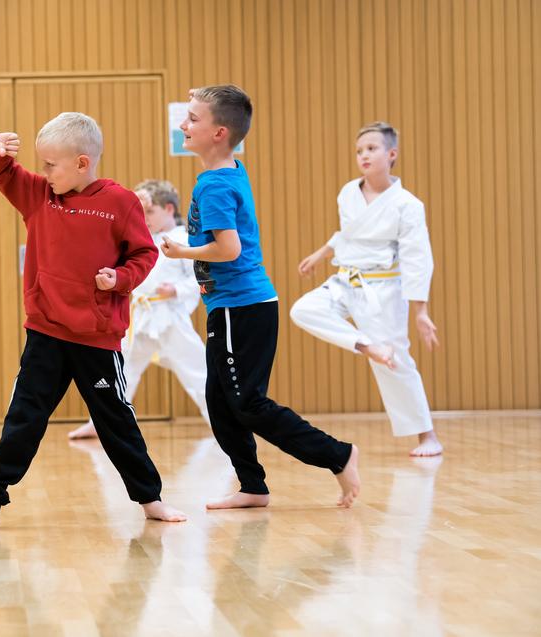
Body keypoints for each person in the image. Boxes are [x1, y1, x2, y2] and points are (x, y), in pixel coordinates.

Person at [0, 112, 188, 533]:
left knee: (116, 421)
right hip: (45, 333)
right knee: (24, 418)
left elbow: (144, 255)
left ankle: (151, 498)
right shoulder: (38, 195)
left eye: (51, 165)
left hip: (97, 339)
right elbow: (1, 170)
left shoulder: (120, 203)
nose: (42, 173)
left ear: (82, 163)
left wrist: (119, 278)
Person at [161, 85, 361, 510]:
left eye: (193, 118)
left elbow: (228, 249)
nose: (184, 124)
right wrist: (215, 96)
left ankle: (338, 455)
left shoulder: (215, 185)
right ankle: (253, 486)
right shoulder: (228, 170)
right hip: (233, 308)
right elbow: (230, 113)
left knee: (247, 403)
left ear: (219, 133)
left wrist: (182, 252)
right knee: (221, 402)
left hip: (241, 308)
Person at [290, 121, 443, 457]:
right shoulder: (348, 192)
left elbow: (418, 257)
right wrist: (321, 253)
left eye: (372, 149)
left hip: (383, 289)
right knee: (302, 309)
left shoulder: (408, 205)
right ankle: (366, 345)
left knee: (396, 360)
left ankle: (427, 436)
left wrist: (421, 311)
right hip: (345, 279)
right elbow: (348, 233)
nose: (364, 155)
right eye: (360, 150)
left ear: (391, 154)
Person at [68, 179, 210, 440]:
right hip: (139, 318)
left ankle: (221, 423)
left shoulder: (183, 239)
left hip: (170, 318)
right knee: (121, 371)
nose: (146, 218)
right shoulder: (140, 237)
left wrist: (176, 290)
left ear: (169, 209)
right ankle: (99, 423)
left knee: (197, 371)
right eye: (143, 213)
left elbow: (198, 278)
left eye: (151, 212)